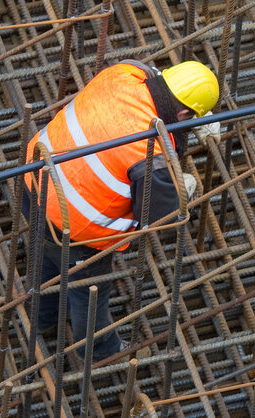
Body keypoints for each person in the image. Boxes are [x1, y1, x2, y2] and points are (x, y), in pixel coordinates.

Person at [23, 60, 221, 361]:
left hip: (32, 180)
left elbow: (147, 69)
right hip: (76, 229)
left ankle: (41, 320)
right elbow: (160, 217)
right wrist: (184, 190)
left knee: (46, 261)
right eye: (190, 118)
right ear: (183, 114)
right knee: (88, 292)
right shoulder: (149, 152)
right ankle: (99, 353)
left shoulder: (123, 74)